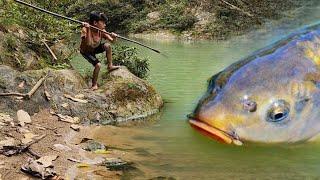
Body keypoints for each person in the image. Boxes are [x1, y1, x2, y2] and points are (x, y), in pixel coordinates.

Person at [80, 11, 120, 90]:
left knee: (107, 46)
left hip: (95, 48)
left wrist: (114, 37)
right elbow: (89, 43)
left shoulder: (101, 30)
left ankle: (110, 66)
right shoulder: (85, 29)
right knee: (98, 65)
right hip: (86, 51)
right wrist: (88, 29)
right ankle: (94, 85)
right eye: (103, 23)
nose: (105, 25)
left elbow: (112, 42)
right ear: (95, 22)